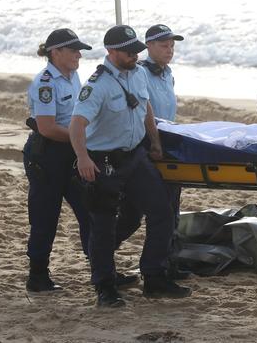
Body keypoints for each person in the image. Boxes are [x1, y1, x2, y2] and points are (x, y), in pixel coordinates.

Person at [69, 25, 191, 308]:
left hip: (136, 156)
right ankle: (105, 287)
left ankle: (154, 277)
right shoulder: (97, 85)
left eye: (137, 50)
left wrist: (155, 141)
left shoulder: (137, 73)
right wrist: (83, 157)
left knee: (161, 211)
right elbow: (77, 125)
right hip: (104, 161)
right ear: (111, 52)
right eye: (128, 52)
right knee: (103, 224)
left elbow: (145, 107)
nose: (135, 56)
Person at [116, 24, 189, 280]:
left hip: (168, 141)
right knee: (137, 212)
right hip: (147, 144)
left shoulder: (168, 73)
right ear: (148, 46)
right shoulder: (140, 73)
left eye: (172, 46)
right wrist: (154, 142)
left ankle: (168, 261)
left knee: (172, 206)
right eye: (163, 45)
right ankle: (102, 252)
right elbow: (143, 112)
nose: (169, 50)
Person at [23, 28, 93, 292]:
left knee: (91, 212)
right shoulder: (45, 83)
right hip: (47, 156)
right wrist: (82, 142)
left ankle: (102, 270)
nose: (79, 55)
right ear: (56, 52)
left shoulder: (73, 76)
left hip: (71, 153)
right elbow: (47, 127)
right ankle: (38, 276)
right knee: (45, 217)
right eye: (74, 50)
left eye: (79, 50)